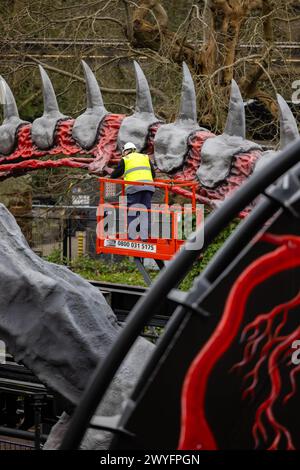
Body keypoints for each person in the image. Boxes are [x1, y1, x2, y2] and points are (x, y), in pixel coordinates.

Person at [109, 142, 155, 240]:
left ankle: (132, 236)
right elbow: (153, 175)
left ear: (126, 151)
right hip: (149, 187)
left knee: (132, 211)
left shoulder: (126, 159)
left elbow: (114, 175)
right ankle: (144, 236)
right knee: (145, 211)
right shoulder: (145, 157)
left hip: (134, 188)